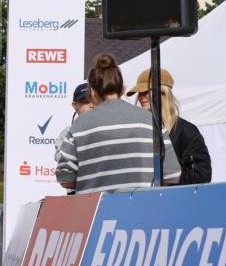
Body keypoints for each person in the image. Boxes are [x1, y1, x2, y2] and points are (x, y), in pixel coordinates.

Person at [55, 54, 181, 193]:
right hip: (143, 209)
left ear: (92, 92)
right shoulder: (151, 121)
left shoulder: (78, 126)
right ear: (122, 89)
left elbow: (65, 178)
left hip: (96, 210)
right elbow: (172, 175)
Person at [127, 69, 212, 185]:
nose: (141, 97)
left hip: (176, 199)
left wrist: (165, 182)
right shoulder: (139, 130)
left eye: (146, 91)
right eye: (139, 93)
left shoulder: (186, 131)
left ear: (162, 93)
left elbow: (201, 175)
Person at [54, 82, 95, 193]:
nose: (91, 105)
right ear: (74, 105)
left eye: (94, 101)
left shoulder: (106, 129)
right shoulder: (67, 133)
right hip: (77, 195)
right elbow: (66, 172)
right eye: (85, 102)